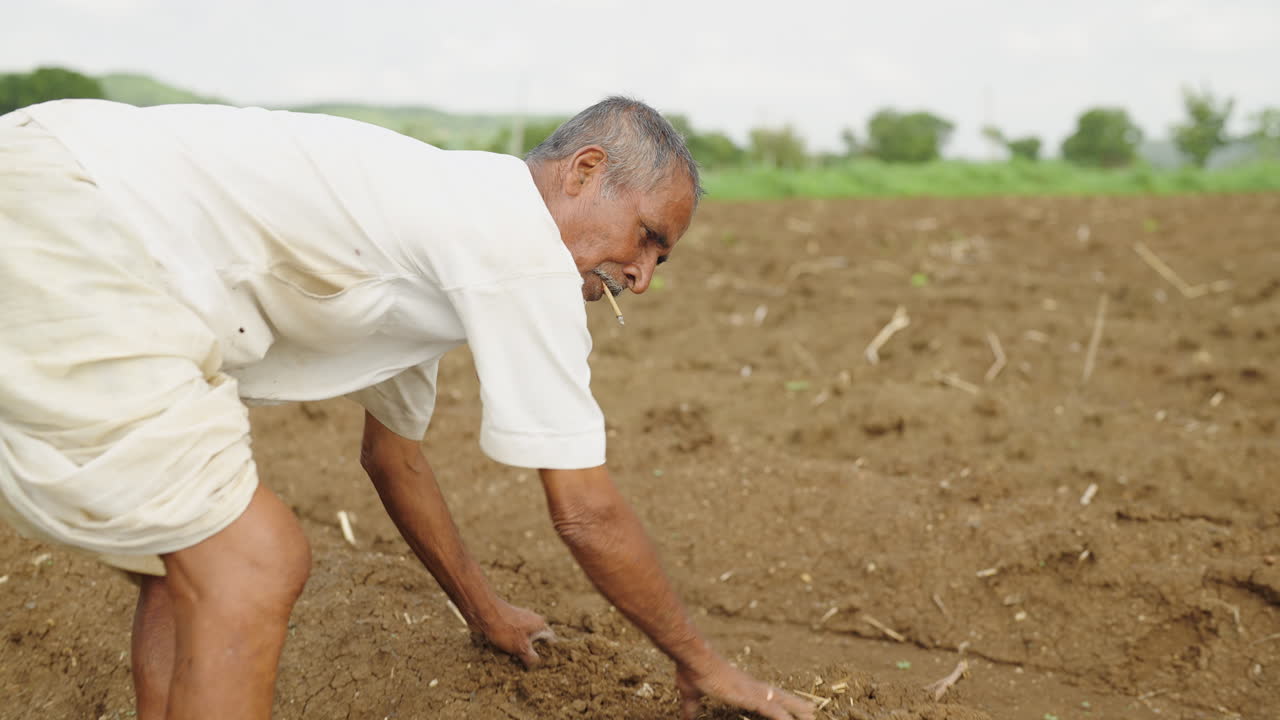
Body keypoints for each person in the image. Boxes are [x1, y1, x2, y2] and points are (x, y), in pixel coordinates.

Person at [0, 96, 815, 720]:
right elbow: (586, 511)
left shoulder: (443, 223)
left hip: (65, 182)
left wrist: (484, 610)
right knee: (255, 559)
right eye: (646, 237)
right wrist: (704, 664)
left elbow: (393, 458)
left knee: (183, 566)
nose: (642, 276)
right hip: (83, 213)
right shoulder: (517, 249)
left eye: (660, 258)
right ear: (584, 171)